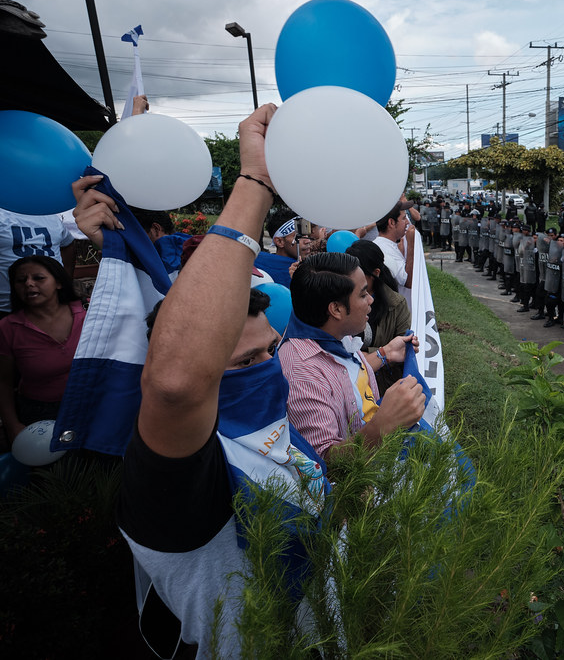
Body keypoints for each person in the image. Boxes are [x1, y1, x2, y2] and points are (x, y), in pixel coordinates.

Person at [91, 105, 334, 655]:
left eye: (269, 352)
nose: (269, 369)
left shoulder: (271, 429)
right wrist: (256, 185)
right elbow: (178, 384)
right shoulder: (176, 482)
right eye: (243, 364)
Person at [279, 252, 424, 459]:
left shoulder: (334, 335)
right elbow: (324, 461)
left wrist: (386, 353)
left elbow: (344, 374)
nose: (371, 300)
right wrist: (383, 426)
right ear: (336, 309)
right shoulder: (301, 370)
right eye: (363, 294)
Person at [0, 256, 85, 445]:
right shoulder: (8, 328)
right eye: (21, 280)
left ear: (59, 283)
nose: (29, 284)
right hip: (39, 418)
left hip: (91, 407)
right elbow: (3, 383)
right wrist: (13, 425)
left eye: (38, 278)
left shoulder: (88, 315)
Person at [345, 240, 413, 393]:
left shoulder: (396, 304)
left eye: (358, 274)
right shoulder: (340, 299)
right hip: (350, 386)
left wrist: (363, 355)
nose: (351, 280)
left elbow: (403, 351)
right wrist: (381, 352)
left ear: (375, 273)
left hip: (382, 388)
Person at [0, 208, 76, 317]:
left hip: (52, 306)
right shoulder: (2, 215)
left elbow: (67, 243)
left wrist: (65, 279)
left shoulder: (51, 217)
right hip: (7, 307)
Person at [374, 201, 417, 303]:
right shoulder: (383, 249)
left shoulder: (390, 245)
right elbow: (408, 282)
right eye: (403, 218)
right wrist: (411, 245)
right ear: (391, 223)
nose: (407, 222)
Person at [254, 214, 312, 287]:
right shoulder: (307, 274)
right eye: (299, 236)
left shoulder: (252, 263)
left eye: (308, 236)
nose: (308, 241)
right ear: (279, 241)